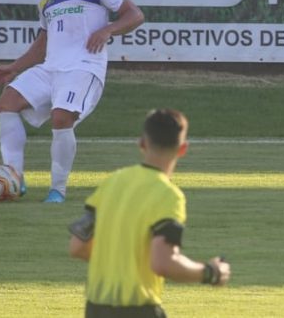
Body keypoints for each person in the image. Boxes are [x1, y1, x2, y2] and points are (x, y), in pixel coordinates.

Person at [0, 0, 144, 203]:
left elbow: (135, 15)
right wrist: (14, 67)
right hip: (51, 68)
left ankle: (57, 190)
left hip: (83, 68)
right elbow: (43, 42)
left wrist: (108, 29)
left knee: (62, 117)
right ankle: (14, 177)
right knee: (6, 103)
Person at [68, 109, 231, 317]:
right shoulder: (168, 196)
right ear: (182, 149)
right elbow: (163, 262)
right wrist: (211, 272)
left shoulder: (111, 183)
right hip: (138, 310)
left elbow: (77, 246)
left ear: (142, 143)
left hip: (95, 309)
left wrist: (122, 258)